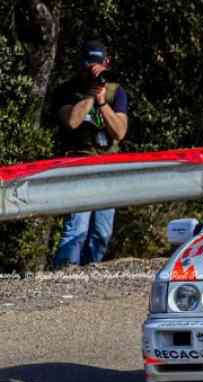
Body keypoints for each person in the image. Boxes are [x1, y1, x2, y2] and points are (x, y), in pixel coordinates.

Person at [52, 40, 128, 267]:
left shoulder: (116, 92)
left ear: (107, 63)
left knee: (101, 233)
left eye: (98, 65)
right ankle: (65, 275)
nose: (93, 70)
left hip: (108, 169)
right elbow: (72, 122)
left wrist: (103, 102)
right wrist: (89, 96)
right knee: (77, 229)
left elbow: (120, 132)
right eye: (89, 64)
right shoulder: (67, 90)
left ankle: (89, 272)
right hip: (79, 165)